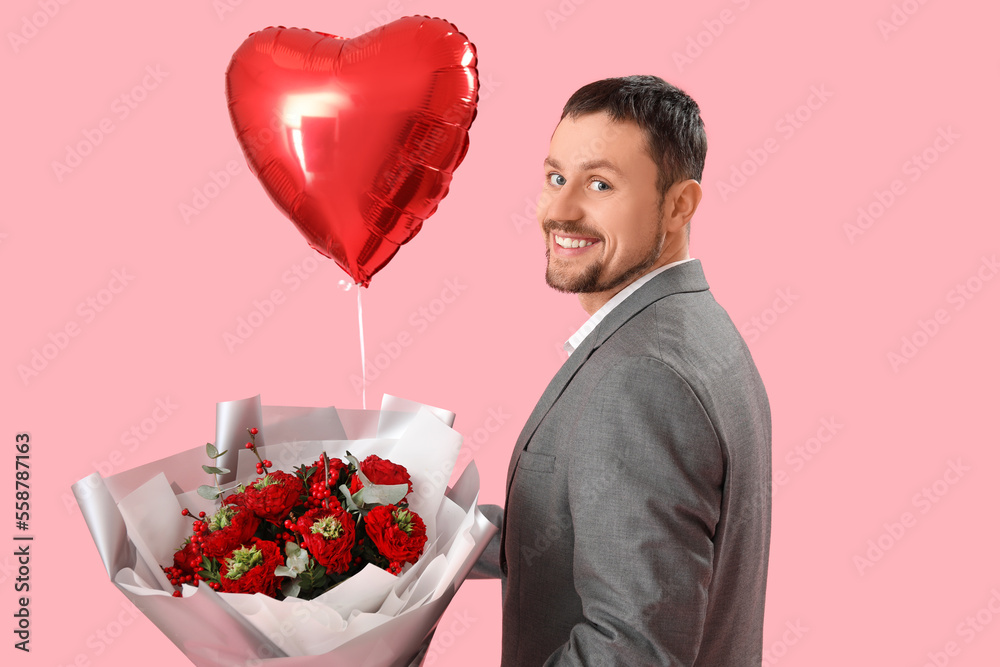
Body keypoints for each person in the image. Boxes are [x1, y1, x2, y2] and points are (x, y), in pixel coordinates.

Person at [472, 75, 772, 666]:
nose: (559, 210)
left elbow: (632, 651)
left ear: (680, 204)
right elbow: (595, 517)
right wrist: (403, 529)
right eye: (556, 177)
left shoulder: (641, 377)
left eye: (600, 184)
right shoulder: (698, 327)